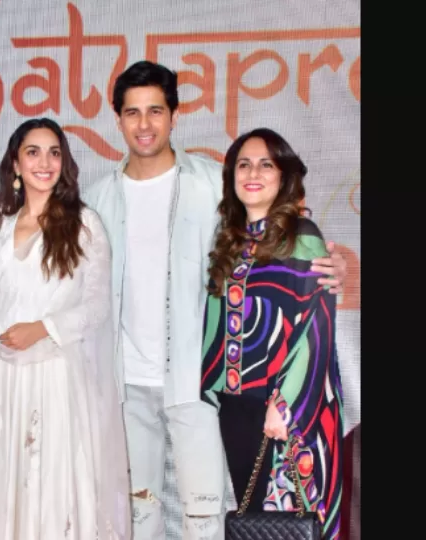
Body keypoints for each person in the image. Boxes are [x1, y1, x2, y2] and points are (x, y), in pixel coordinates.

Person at [82, 60, 347, 540]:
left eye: (155, 110)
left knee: (206, 515)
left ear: (174, 115)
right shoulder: (97, 198)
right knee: (137, 515)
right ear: (117, 119)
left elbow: (277, 248)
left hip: (197, 381)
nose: (144, 124)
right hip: (125, 383)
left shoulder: (212, 186)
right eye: (132, 112)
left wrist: (330, 267)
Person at [0, 118, 131, 540]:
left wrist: (43, 328)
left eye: (54, 153)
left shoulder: (84, 224)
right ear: (15, 163)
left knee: (52, 482)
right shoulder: (1, 226)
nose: (44, 162)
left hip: (56, 374)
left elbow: (97, 305)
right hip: (1, 375)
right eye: (33, 152)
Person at [201, 128, 343, 539]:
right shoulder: (230, 240)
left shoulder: (302, 237)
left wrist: (285, 404)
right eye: (243, 164)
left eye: (266, 164)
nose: (253, 173)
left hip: (288, 406)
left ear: (283, 176)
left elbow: (317, 323)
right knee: (257, 524)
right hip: (237, 405)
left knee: (293, 519)